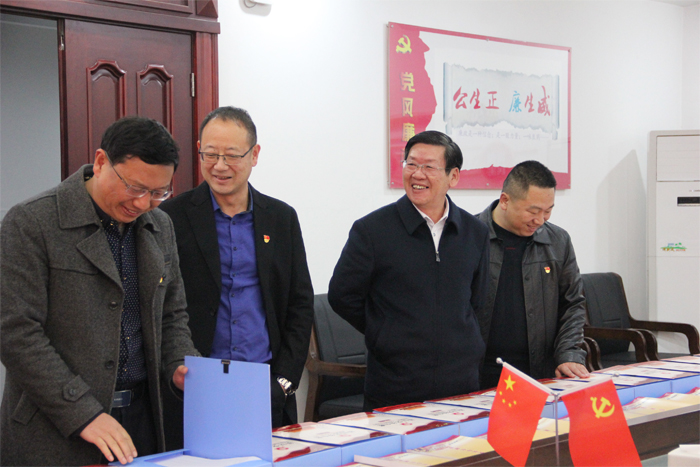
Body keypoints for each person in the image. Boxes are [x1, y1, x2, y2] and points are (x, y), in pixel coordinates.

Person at [0, 117, 198, 466]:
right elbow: (15, 332)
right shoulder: (31, 222)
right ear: (101, 161)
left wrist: (179, 362)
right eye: (135, 187)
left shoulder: (160, 225)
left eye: (158, 192)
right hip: (55, 426)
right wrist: (82, 411)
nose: (143, 203)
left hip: (142, 418)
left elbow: (172, 313)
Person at [159, 106, 313, 439]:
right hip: (195, 386)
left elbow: (300, 304)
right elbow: (160, 306)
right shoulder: (171, 217)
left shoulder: (281, 218)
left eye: (231, 155)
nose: (219, 166)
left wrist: (284, 381)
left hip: (264, 385)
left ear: (254, 154)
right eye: (210, 154)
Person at [328, 130, 490, 410]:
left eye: (429, 167)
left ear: (453, 176)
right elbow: (342, 295)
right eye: (411, 164)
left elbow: (476, 300)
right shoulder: (372, 230)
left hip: (461, 382)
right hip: (395, 383)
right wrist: (386, 331)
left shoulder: (475, 232)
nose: (417, 174)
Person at [476, 160, 589, 390]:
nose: (540, 221)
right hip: (477, 373)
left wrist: (569, 354)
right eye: (533, 211)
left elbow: (573, 304)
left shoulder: (557, 242)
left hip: (538, 373)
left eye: (548, 211)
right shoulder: (468, 236)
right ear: (505, 201)